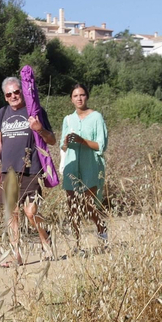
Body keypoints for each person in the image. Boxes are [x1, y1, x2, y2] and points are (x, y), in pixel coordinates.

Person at [0, 76, 55, 266]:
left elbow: (51, 139)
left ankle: (46, 237)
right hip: (7, 171)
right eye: (9, 94)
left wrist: (39, 129)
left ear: (23, 91)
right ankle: (16, 255)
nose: (13, 96)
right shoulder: (3, 113)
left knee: (30, 211)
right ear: (5, 97)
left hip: (31, 169)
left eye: (16, 92)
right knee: (12, 214)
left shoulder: (35, 110)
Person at [58, 83, 108, 244]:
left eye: (82, 95)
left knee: (88, 205)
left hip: (90, 165)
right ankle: (76, 243)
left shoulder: (96, 117)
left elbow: (101, 145)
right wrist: (66, 142)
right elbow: (62, 146)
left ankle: (102, 229)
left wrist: (82, 141)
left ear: (87, 96)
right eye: (75, 96)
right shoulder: (68, 119)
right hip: (71, 165)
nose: (79, 98)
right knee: (72, 205)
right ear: (71, 99)